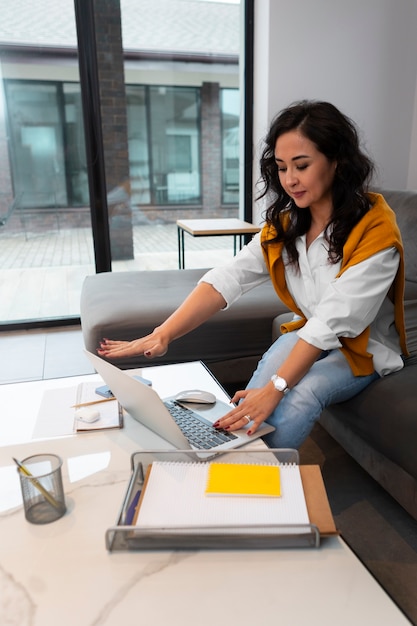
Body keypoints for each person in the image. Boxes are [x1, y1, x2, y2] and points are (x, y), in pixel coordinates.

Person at [98, 100, 408, 449]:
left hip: (362, 345)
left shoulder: (376, 230)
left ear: (337, 160)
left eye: (302, 166)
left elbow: (332, 322)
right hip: (312, 332)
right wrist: (163, 334)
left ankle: (257, 474)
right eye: (281, 167)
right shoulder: (289, 224)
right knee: (259, 384)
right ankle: (232, 459)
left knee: (301, 394)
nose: (290, 180)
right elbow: (231, 276)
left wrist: (276, 389)